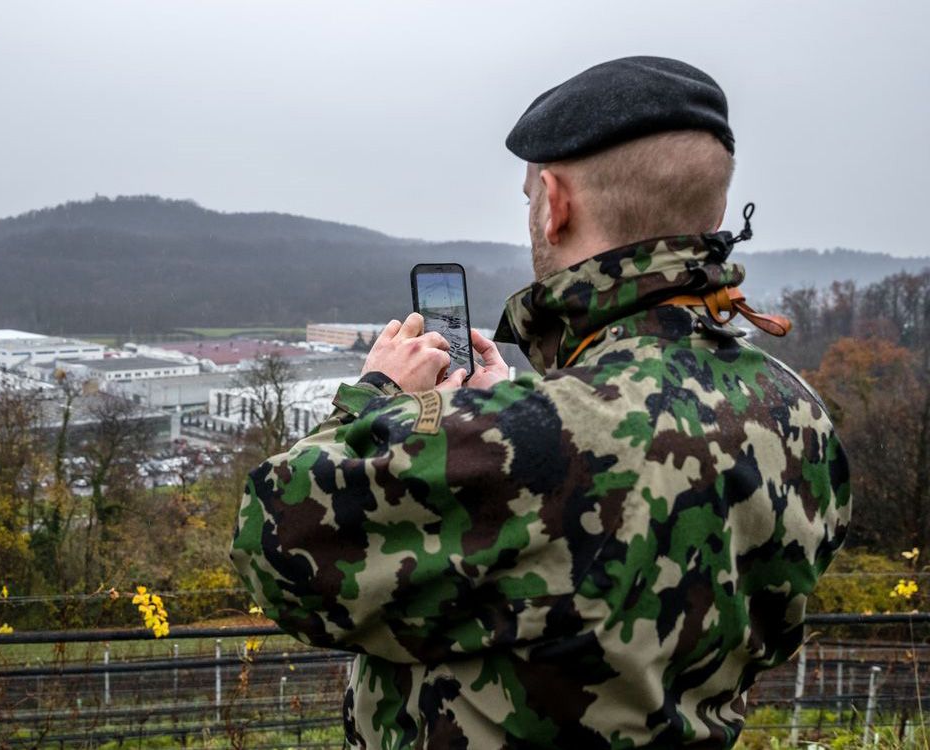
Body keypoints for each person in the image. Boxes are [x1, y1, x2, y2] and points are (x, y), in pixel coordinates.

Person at [229, 56, 850, 748]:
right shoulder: (798, 415)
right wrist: (522, 407)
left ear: (555, 203)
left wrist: (380, 397)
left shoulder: (538, 439)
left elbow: (275, 541)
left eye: (530, 195)